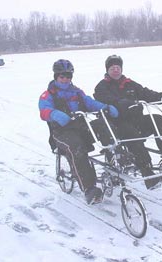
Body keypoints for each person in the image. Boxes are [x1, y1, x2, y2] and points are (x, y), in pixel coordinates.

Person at [94, 55, 162, 189]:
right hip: (118, 125)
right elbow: (105, 99)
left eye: (118, 67)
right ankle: (147, 171)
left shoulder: (129, 83)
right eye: (112, 68)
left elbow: (145, 93)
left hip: (136, 120)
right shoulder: (102, 87)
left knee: (158, 120)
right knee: (132, 133)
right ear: (107, 70)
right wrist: (121, 103)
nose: (115, 70)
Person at [39, 59, 119, 205]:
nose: (65, 80)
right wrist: (54, 114)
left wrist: (105, 107)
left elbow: (90, 103)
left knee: (103, 124)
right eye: (62, 76)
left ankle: (115, 157)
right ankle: (89, 189)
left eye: (68, 76)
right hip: (61, 132)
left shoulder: (76, 92)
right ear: (56, 76)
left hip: (80, 128)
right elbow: (44, 110)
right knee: (77, 148)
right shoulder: (48, 94)